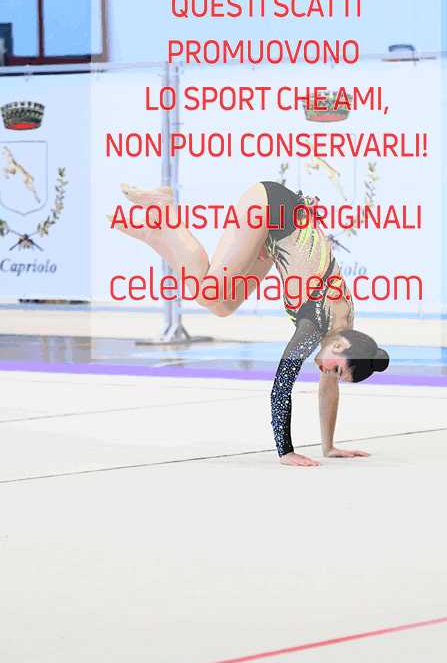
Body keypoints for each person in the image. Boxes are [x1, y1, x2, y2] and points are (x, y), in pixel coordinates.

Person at [117, 180, 389, 466]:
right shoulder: (316, 326)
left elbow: (329, 387)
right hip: (270, 207)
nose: (327, 373)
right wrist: (286, 451)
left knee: (223, 306)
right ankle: (165, 212)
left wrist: (329, 446)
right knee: (210, 292)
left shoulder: (345, 331)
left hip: (278, 231)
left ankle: (160, 235)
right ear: (341, 345)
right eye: (337, 370)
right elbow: (282, 385)